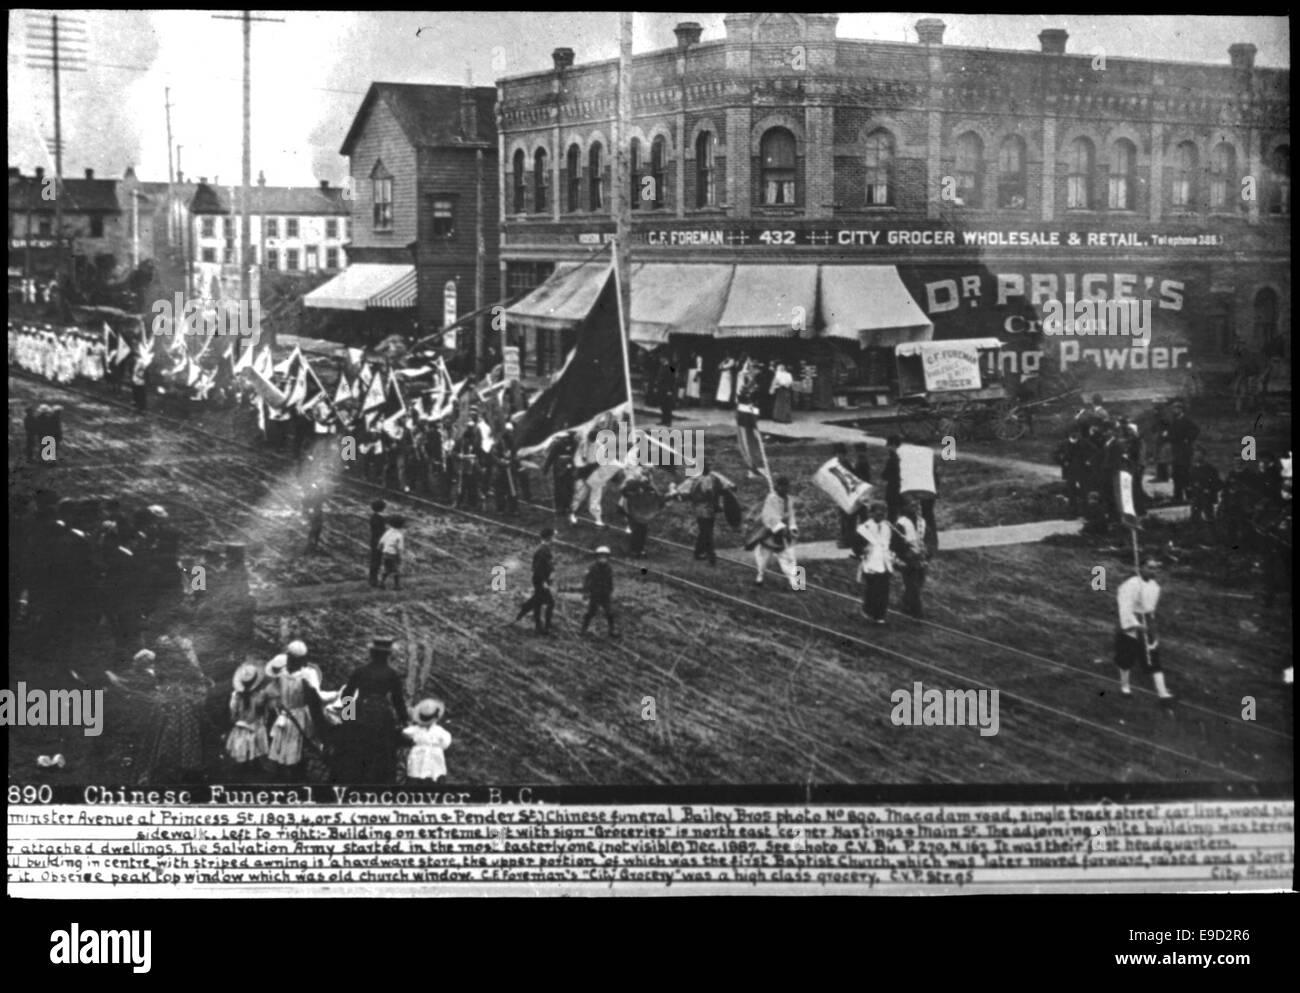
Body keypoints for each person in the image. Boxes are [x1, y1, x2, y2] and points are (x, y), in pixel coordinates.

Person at [338, 637, 407, 783]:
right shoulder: (392, 674)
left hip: (360, 712)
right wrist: (404, 720)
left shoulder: (360, 671)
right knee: (384, 751)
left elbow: (347, 695)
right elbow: (398, 700)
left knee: (353, 747)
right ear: (389, 655)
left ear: (371, 653)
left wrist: (348, 718)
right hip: (382, 717)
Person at [1113, 558, 1173, 705]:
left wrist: (1150, 626)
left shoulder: (1155, 587)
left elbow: (1150, 609)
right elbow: (1125, 605)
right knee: (1126, 658)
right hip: (1131, 623)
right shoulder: (1131, 584)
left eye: (1155, 568)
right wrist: (1135, 624)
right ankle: (1125, 687)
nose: (1153, 571)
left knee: (1153, 657)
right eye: (1150, 567)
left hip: (1147, 624)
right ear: (1141, 568)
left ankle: (1163, 694)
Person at [266, 640, 326, 781]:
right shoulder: (307, 676)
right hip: (299, 716)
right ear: (303, 659)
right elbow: (315, 699)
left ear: (288, 657)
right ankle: (296, 780)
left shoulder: (281, 674)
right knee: (297, 751)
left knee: (281, 748)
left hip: (284, 716)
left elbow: (273, 693)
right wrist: (320, 725)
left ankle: (280, 778)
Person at [673, 462, 735, 566]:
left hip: (709, 509)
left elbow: (726, 486)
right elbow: (683, 492)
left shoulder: (711, 478)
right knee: (707, 532)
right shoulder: (698, 479)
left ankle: (698, 553)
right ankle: (711, 556)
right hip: (702, 509)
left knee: (705, 531)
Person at [750, 476, 799, 589]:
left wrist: (792, 528)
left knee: (790, 557)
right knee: (763, 558)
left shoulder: (789, 500)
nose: (785, 489)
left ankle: (797, 584)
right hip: (770, 533)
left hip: (785, 534)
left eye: (787, 487)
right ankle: (759, 578)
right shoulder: (771, 498)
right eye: (782, 487)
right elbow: (768, 515)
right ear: (777, 487)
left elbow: (791, 515)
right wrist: (779, 527)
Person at [225, 662, 272, 779]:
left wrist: (235, 717)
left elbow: (233, 710)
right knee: (255, 743)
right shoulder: (260, 695)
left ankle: (247, 766)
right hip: (255, 723)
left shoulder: (236, 695)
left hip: (242, 723)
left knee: (246, 743)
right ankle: (254, 765)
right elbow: (264, 710)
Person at [514, 527, 556, 635]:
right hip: (540, 580)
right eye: (553, 537)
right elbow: (538, 568)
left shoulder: (544, 549)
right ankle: (546, 627)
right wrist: (543, 581)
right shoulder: (543, 550)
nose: (554, 539)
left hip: (540, 579)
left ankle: (536, 623)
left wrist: (551, 572)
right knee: (550, 603)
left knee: (537, 601)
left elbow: (547, 565)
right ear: (549, 537)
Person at [857, 502, 893, 624]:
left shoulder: (887, 527)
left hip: (884, 562)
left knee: (884, 590)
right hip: (871, 563)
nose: (880, 517)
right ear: (871, 513)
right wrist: (862, 550)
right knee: (872, 590)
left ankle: (880, 615)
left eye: (883, 514)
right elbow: (856, 545)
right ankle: (868, 612)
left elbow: (890, 544)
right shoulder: (864, 528)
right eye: (878, 514)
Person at [894, 496, 929, 619]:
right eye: (911, 504)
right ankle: (918, 614)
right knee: (912, 585)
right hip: (907, 560)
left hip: (920, 557)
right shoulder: (901, 523)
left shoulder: (921, 521)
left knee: (919, 583)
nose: (916, 506)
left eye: (918, 504)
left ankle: (905, 604)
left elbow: (926, 537)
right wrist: (905, 553)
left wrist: (925, 548)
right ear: (904, 507)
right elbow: (896, 543)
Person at [403, 698, 452, 785]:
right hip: (419, 760)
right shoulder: (415, 730)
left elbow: (445, 743)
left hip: (433, 761)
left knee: (434, 777)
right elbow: (445, 744)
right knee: (417, 778)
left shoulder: (440, 732)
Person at [1055, 427, 1096, 517]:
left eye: (1077, 436)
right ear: (1069, 435)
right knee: (1071, 492)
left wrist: (1089, 460)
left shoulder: (1084, 442)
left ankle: (1087, 513)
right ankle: (1072, 513)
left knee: (1085, 491)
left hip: (1083, 470)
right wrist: (1062, 462)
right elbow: (1055, 454)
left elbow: (1095, 451)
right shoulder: (1064, 443)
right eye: (1073, 436)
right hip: (1070, 470)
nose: (1075, 438)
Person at [580, 546, 618, 637]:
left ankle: (612, 630)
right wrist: (586, 592)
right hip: (595, 594)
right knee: (591, 612)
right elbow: (586, 580)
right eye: (601, 556)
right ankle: (583, 629)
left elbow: (610, 581)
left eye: (605, 557)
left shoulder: (608, 568)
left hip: (605, 594)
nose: (603, 558)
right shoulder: (592, 567)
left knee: (609, 612)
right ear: (597, 557)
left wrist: (611, 591)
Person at [1165, 403, 1199, 503]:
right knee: (1176, 474)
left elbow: (1196, 430)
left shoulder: (1187, 421)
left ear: (1181, 410)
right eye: (1173, 409)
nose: (1174, 411)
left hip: (1185, 452)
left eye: (1176, 409)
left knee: (1186, 473)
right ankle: (1177, 496)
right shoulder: (1174, 421)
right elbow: (1171, 434)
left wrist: (1187, 439)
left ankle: (1189, 496)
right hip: (1176, 451)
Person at [1187, 447, 1222, 526]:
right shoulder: (1192, 469)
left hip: (1207, 498)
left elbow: (1217, 484)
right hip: (1196, 497)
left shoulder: (1211, 469)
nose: (1197, 457)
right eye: (1196, 455)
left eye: (1199, 455)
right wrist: (1190, 490)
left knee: (1210, 519)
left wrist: (1210, 490)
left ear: (1204, 456)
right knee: (1194, 519)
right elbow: (1189, 483)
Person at [377, 515, 406, 590]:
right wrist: (401, 557)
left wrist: (381, 551)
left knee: (386, 569)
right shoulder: (399, 535)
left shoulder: (387, 532)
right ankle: (397, 586)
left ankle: (381, 582)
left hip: (385, 554)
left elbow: (380, 543)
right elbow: (400, 548)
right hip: (394, 555)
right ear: (401, 525)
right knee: (397, 570)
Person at [302, 482, 326, 554]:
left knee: (316, 530)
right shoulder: (310, 496)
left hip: (317, 515)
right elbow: (305, 503)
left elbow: (320, 502)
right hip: (314, 516)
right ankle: (309, 547)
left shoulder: (318, 496)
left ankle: (313, 546)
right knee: (313, 530)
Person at [368, 499, 387, 587]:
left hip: (374, 541)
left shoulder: (373, 517)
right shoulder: (380, 519)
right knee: (376, 561)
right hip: (379, 542)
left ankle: (373, 578)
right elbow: (381, 531)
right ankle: (373, 579)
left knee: (375, 560)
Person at [655, 358, 677, 427]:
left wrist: (670, 390)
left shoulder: (671, 367)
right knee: (663, 405)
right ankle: (664, 420)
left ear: (666, 359)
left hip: (668, 389)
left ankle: (668, 421)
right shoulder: (661, 367)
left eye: (662, 358)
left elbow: (672, 379)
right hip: (661, 389)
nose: (660, 360)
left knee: (668, 406)